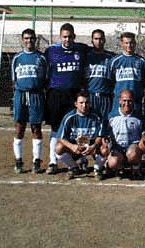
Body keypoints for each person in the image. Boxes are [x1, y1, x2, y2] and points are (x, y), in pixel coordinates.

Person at [44, 23, 88, 175]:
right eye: (64, 36)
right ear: (60, 37)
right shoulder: (51, 51)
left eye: (70, 36)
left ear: (74, 37)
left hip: (74, 93)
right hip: (56, 94)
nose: (67, 39)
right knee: (56, 128)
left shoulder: (82, 50)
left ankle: (81, 160)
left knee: (77, 126)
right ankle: (52, 161)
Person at [11, 29, 47, 174]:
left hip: (36, 95)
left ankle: (36, 161)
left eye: (32, 38)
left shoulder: (41, 58)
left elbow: (46, 79)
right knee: (19, 128)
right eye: (26, 38)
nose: (29, 41)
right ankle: (18, 161)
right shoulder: (17, 58)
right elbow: (13, 80)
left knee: (36, 128)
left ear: (35, 40)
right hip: (20, 95)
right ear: (22, 40)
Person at [55, 91, 105, 179]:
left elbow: (100, 136)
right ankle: (73, 167)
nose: (84, 105)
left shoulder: (97, 116)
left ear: (90, 103)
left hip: (91, 146)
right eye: (81, 103)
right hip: (75, 146)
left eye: (87, 102)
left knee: (104, 147)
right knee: (59, 148)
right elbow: (60, 138)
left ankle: (98, 169)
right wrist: (72, 146)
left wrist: (93, 146)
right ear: (75, 104)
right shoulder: (69, 117)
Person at [101, 90, 145, 180]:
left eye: (129, 100)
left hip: (132, 147)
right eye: (124, 100)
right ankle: (116, 168)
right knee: (113, 161)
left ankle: (136, 169)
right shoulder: (111, 116)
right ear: (119, 101)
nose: (127, 103)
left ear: (133, 101)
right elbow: (104, 134)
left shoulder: (139, 116)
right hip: (117, 148)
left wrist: (142, 139)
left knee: (133, 153)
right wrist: (105, 144)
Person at [109, 32, 145, 118]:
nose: (129, 45)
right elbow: (111, 81)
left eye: (131, 43)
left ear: (135, 43)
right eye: (126, 43)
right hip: (119, 100)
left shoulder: (141, 61)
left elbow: (144, 82)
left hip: (135, 100)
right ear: (122, 43)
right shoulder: (115, 61)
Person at [85, 29, 114, 119]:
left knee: (105, 123)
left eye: (101, 39)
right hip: (91, 95)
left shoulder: (111, 58)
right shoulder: (86, 57)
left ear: (104, 40)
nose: (99, 42)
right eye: (96, 39)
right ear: (92, 41)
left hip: (105, 96)